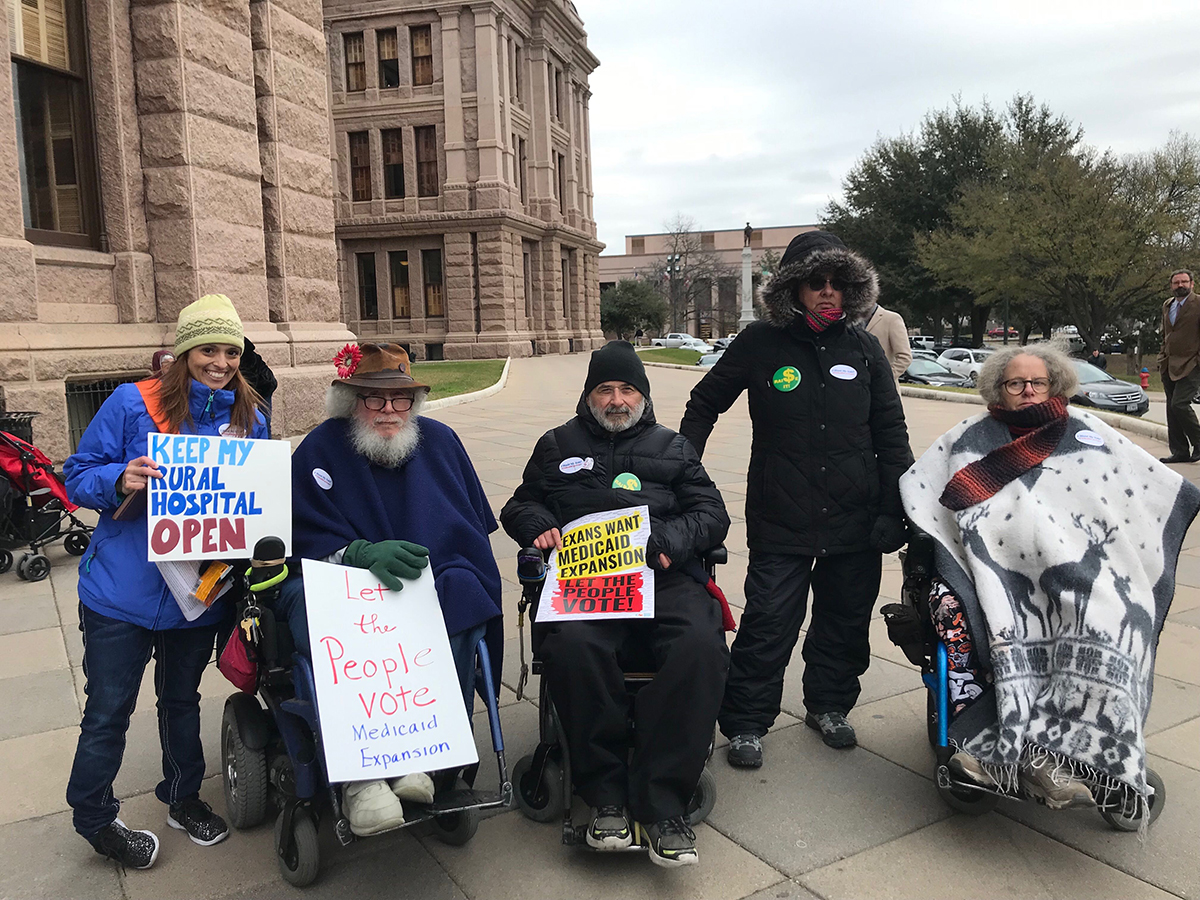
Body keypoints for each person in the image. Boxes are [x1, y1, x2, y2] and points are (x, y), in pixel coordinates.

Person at [901, 343, 1199, 812]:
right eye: (1015, 384)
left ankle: (1077, 747)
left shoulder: (1090, 433)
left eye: (1037, 383)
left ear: (1054, 385)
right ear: (999, 389)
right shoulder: (969, 439)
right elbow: (924, 490)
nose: (1028, 392)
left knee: (1110, 618)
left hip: (1078, 567)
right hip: (999, 570)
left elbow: (1148, 486)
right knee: (1001, 620)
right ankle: (1021, 749)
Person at [680, 230, 913, 765]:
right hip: (780, 513)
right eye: (816, 282)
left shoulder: (863, 347)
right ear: (795, 287)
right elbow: (704, 402)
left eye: (837, 283)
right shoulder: (760, 343)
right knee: (767, 621)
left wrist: (892, 507)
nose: (827, 292)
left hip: (854, 516)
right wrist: (682, 472)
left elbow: (891, 431)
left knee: (844, 620)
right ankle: (745, 721)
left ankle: (829, 704)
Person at [500, 341, 730, 868]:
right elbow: (520, 502)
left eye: (628, 389)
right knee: (573, 646)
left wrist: (670, 542)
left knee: (700, 646)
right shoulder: (556, 444)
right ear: (588, 396)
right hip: (587, 579)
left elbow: (712, 514)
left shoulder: (673, 448)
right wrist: (538, 526)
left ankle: (662, 800)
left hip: (661, 576)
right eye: (606, 388)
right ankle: (604, 795)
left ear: (643, 398)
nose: (617, 399)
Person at [63, 294, 268, 870]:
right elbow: (75, 476)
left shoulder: (249, 418)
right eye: (208, 348)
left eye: (231, 350)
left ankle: (182, 797)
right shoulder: (132, 403)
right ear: (183, 351)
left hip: (197, 596)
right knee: (108, 710)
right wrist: (118, 477)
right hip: (119, 594)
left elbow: (254, 500)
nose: (221, 362)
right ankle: (95, 819)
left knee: (181, 700)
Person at [276, 342, 503, 837]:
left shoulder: (441, 443)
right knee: (321, 609)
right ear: (351, 401)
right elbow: (295, 538)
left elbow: (466, 532)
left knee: (467, 591)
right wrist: (353, 554)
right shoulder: (319, 448)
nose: (388, 411)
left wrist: (437, 574)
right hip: (339, 579)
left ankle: (432, 758)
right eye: (374, 400)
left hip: (426, 581)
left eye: (401, 400)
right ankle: (362, 778)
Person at [1158, 269, 1200, 463]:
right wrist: (1162, 357)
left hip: (1191, 364)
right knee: (1171, 408)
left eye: (1184, 282)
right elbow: (1166, 334)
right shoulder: (1168, 305)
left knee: (1180, 404)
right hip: (1168, 363)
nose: (1180, 285)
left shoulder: (1198, 304)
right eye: (1176, 283)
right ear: (1171, 286)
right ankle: (1180, 451)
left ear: (1192, 284)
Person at [863, 302, 912, 380]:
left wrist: (884, 377)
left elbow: (905, 357)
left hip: (884, 388)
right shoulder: (849, 319)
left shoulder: (892, 318)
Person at [238, 337, 277, 434]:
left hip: (265, 387)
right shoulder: (244, 356)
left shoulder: (248, 358)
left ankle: (266, 442)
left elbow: (251, 377)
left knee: (264, 420)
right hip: (259, 386)